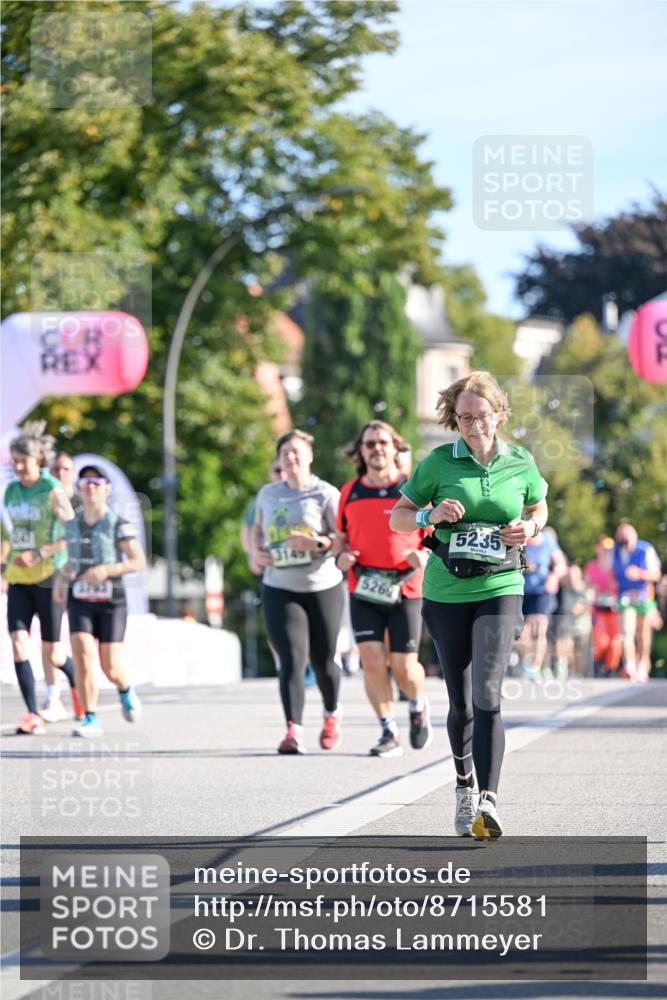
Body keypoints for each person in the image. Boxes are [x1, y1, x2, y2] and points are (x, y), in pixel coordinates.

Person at [390, 372, 549, 840]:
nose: (474, 424)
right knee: (461, 702)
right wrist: (428, 515)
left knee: (488, 694)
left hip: (501, 582)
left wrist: (532, 528)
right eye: (464, 417)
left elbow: (539, 506)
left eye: (482, 415)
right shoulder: (439, 463)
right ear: (453, 419)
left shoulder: (521, 461)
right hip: (446, 591)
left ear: (498, 414)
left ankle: (489, 801)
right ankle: (463, 787)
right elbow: (398, 517)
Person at [335, 420, 432, 757]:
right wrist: (341, 557)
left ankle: (418, 705)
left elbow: (434, 538)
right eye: (370, 444)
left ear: (395, 447)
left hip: (406, 588)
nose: (376, 449)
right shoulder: (349, 492)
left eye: (382, 443)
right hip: (364, 586)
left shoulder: (412, 489)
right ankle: (388, 731)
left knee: (404, 667)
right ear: (361, 451)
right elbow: (340, 539)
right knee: (372, 661)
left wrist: (423, 555)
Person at [253, 430, 345, 754]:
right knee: (291, 659)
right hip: (280, 585)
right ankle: (294, 730)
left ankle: (332, 712)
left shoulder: (325, 493)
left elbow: (342, 539)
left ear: (309, 457)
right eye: (284, 454)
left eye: (296, 452)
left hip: (322, 585)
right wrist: (256, 553)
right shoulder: (268, 494)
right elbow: (258, 531)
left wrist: (317, 543)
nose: (290, 458)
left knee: (323, 661)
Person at [55, 465, 146, 737]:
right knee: (82, 654)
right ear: (79, 489)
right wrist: (61, 580)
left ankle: (125, 688)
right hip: (81, 598)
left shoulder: (119, 524)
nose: (91, 487)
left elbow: (138, 562)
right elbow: (70, 562)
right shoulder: (71, 526)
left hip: (111, 601)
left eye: (96, 482)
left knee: (110, 667)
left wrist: (107, 570)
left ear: (106, 488)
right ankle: (90, 717)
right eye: (85, 482)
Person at [1, 423, 78, 734]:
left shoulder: (52, 489)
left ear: (39, 460)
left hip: (49, 576)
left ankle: (77, 684)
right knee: (19, 644)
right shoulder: (11, 491)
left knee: (53, 652)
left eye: (24, 461)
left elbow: (72, 532)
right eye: (15, 460)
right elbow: (7, 533)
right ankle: (33, 714)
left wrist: (40, 552)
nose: (18, 466)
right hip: (19, 578)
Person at [515, 526, 567, 680]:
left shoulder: (548, 542)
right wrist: (524, 566)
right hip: (522, 592)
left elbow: (561, 565)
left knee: (538, 628)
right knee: (521, 635)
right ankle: (527, 662)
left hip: (543, 592)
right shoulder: (519, 540)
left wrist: (554, 576)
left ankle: (535, 667)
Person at [613, 522, 662, 682]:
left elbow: (656, 575)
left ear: (633, 535)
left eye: (625, 536)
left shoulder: (645, 549)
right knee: (626, 632)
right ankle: (630, 664)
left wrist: (639, 574)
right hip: (625, 597)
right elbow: (613, 573)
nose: (622, 540)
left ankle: (643, 665)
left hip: (644, 597)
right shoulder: (616, 551)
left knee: (643, 634)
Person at [584, 537, 622, 676]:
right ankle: (597, 665)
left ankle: (610, 669)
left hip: (614, 611)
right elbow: (587, 587)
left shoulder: (616, 568)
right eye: (603, 549)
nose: (606, 552)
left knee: (615, 642)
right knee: (601, 641)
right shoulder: (592, 566)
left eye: (609, 550)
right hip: (598, 610)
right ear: (598, 549)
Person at [552, 564, 593, 677]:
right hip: (567, 625)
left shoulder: (586, 589)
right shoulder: (564, 588)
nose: (571, 578)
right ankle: (563, 671)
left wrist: (581, 608)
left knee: (580, 651)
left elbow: (588, 604)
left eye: (574, 576)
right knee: (564, 646)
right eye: (569, 575)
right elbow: (559, 576)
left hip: (582, 626)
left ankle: (578, 673)